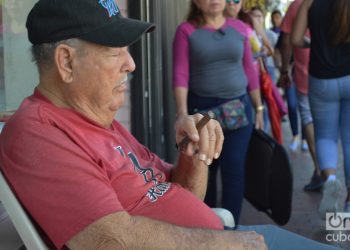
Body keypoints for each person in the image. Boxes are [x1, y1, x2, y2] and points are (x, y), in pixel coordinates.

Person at [0, 0, 341, 249]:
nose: (131, 64)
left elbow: (181, 192)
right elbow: (110, 240)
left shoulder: (96, 119)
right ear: (66, 62)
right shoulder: (39, 133)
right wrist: (226, 244)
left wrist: (194, 152)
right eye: (114, 51)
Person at [173, 0, 264, 224]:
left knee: (234, 170)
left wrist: (259, 107)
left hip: (238, 110)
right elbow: (180, 74)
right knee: (204, 170)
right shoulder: (186, 30)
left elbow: (250, 71)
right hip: (202, 113)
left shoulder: (240, 28)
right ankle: (209, 226)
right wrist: (183, 116)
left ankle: (231, 229)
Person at [292, 0, 350, 215]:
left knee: (325, 137)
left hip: (321, 79)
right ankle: (349, 205)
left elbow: (296, 39)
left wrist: (313, 43)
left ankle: (331, 180)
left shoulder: (310, 2)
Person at [278, 0, 323, 191]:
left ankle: (321, 170)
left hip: (307, 71)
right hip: (338, 72)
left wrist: (284, 71)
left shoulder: (297, 5)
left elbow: (288, 41)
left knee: (309, 119)